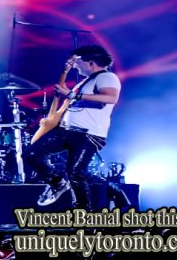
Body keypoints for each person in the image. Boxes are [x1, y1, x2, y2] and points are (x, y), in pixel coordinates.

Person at [22, 45, 120, 211]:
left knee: (75, 173)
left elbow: (110, 98)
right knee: (31, 154)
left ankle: (84, 214)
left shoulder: (107, 77)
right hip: (66, 130)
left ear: (90, 62)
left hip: (88, 135)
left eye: (77, 61)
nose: (75, 65)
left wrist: (73, 95)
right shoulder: (85, 81)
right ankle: (58, 183)